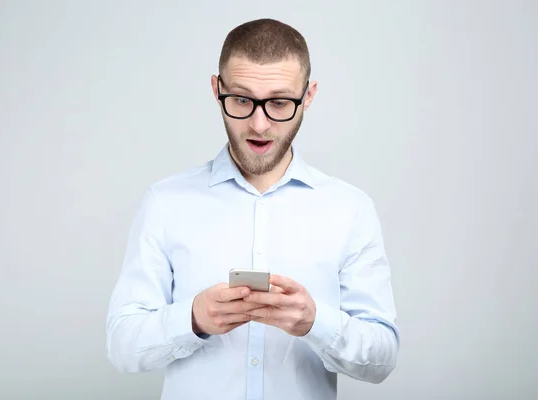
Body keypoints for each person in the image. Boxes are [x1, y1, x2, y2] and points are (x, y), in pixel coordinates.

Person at [106, 18, 400, 400]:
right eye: (242, 100)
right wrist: (191, 319)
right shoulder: (165, 203)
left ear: (307, 97)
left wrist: (317, 323)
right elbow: (121, 346)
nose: (259, 125)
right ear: (217, 90)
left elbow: (382, 358)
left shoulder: (351, 209)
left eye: (279, 102)